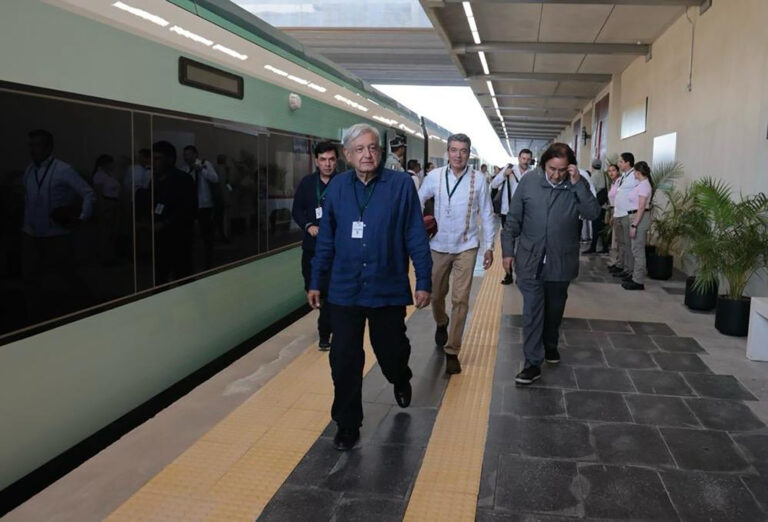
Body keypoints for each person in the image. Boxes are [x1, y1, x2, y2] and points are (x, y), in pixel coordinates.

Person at [309, 123, 432, 451]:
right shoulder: (336, 188)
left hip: (386, 286)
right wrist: (316, 281)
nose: (368, 154)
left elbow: (415, 236)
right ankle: (347, 422)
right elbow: (326, 241)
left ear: (382, 152)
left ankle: (400, 375)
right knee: (344, 358)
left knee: (390, 350)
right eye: (360, 149)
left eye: (373, 148)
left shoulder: (401, 185)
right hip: (345, 288)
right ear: (347, 155)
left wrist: (423, 280)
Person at [501, 143, 600, 385]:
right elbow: (513, 219)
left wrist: (577, 184)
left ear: (571, 167)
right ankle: (532, 363)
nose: (556, 174)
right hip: (530, 259)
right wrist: (507, 252)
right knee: (533, 311)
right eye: (552, 168)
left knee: (554, 310)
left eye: (562, 170)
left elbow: (592, 213)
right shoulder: (529, 182)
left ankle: (551, 344)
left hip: (560, 260)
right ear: (543, 163)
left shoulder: (577, 184)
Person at [418, 133, 495, 375]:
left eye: (463, 151)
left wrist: (490, 246)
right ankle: (442, 321)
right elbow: (417, 200)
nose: (458, 155)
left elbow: (487, 212)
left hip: (467, 246)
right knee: (436, 295)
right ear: (447, 152)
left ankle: (453, 350)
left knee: (460, 299)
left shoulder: (478, 179)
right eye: (453, 150)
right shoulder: (434, 177)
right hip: (438, 245)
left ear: (468, 153)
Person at [21, 129, 96, 321]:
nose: (31, 150)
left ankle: (88, 310)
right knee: (30, 277)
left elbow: (88, 193)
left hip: (56, 235)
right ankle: (33, 316)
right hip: (31, 234)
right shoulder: (29, 170)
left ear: (48, 147)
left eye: (36, 145)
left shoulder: (63, 169)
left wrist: (82, 217)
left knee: (68, 275)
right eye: (30, 145)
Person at [292, 141, 338, 350]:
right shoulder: (307, 183)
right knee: (315, 289)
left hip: (337, 251)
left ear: (337, 161)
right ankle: (327, 328)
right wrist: (308, 225)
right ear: (316, 161)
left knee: (328, 293)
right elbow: (297, 210)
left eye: (331, 160)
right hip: (312, 248)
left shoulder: (344, 183)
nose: (327, 164)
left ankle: (324, 334)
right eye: (323, 160)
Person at [151, 141, 197, 284]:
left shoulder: (183, 179)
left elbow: (188, 209)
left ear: (169, 159)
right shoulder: (156, 180)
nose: (154, 162)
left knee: (183, 275)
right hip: (160, 238)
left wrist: (165, 223)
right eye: (153, 158)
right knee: (160, 276)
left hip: (179, 237)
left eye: (158, 158)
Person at [491, 148, 533, 285]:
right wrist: (504, 175)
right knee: (508, 244)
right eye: (523, 159)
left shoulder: (532, 174)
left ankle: (520, 273)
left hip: (525, 214)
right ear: (519, 158)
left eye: (528, 159)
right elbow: (493, 184)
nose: (525, 162)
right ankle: (508, 274)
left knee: (522, 244)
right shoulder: (509, 169)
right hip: (507, 212)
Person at [183, 145, 219, 270]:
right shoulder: (184, 169)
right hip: (191, 206)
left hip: (205, 205)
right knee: (190, 234)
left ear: (195, 155)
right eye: (185, 154)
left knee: (207, 235)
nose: (186, 157)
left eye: (188, 154)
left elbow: (215, 179)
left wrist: (201, 170)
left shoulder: (205, 164)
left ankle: (209, 262)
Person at [622, 161, 653, 291]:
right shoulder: (641, 184)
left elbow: (641, 207)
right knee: (635, 249)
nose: (633, 174)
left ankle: (638, 281)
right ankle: (635, 276)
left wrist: (634, 225)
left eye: (634, 171)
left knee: (638, 250)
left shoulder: (644, 186)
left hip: (639, 218)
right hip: (635, 216)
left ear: (638, 172)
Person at [609, 153, 638, 280]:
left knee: (627, 243)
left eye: (621, 162)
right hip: (618, 213)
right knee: (620, 242)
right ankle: (621, 264)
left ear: (628, 163)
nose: (619, 164)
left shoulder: (634, 176)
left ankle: (629, 269)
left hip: (627, 214)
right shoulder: (622, 177)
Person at [92, 154, 121, 265]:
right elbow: (98, 193)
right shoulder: (99, 175)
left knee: (113, 231)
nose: (113, 165)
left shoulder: (110, 175)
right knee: (105, 231)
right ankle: (104, 258)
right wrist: (103, 209)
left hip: (114, 202)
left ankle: (111, 256)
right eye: (111, 163)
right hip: (106, 203)